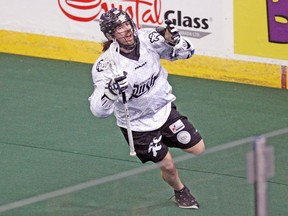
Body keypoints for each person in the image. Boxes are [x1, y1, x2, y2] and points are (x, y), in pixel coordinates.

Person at [88, 8, 205, 209]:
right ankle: (180, 191)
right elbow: (98, 111)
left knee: (198, 148)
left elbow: (188, 53)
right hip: (138, 125)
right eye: (118, 28)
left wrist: (174, 41)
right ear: (110, 35)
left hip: (164, 111)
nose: (126, 30)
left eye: (127, 24)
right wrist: (110, 92)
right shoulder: (106, 65)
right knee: (167, 165)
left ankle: (164, 142)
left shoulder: (148, 38)